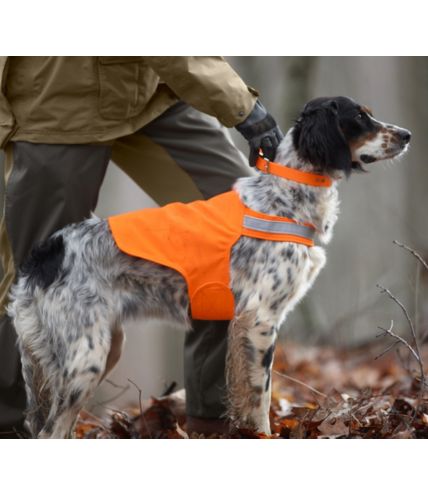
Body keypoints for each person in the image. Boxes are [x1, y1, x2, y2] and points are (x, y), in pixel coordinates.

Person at [0, 56, 283, 437]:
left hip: (152, 96)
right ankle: (13, 429)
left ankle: (217, 424)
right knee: (33, 281)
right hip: (55, 101)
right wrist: (244, 107)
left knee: (237, 240)